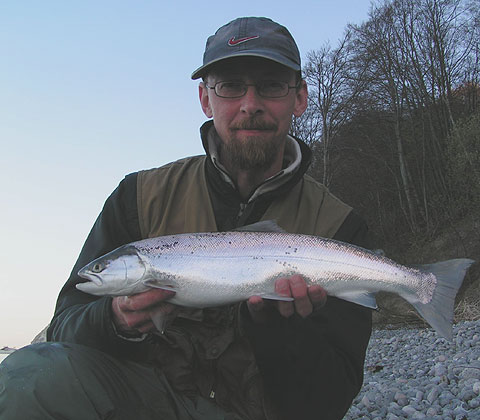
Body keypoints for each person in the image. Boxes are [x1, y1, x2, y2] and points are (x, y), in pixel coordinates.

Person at [0, 17, 372, 420]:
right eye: (230, 86)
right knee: (28, 376)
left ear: (299, 98)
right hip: (144, 405)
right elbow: (65, 326)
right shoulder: (138, 197)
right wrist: (115, 320)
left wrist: (280, 329)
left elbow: (329, 402)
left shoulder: (340, 227)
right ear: (205, 100)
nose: (250, 104)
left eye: (271, 85)